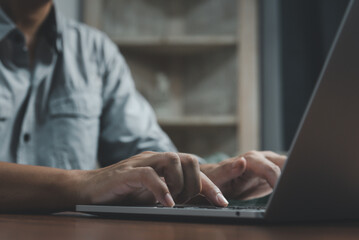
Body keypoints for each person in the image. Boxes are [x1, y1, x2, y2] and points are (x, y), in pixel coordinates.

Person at [0, 0, 286, 212]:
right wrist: (83, 184)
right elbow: (95, 182)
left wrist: (208, 177)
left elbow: (147, 150)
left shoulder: (95, 52)